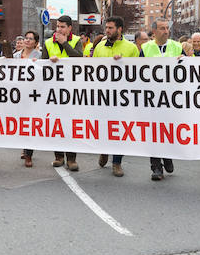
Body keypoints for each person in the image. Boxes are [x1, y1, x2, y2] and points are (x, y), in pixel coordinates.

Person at [92, 16, 140, 177]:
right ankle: (104, 150)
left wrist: (123, 63)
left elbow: (137, 72)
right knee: (103, 127)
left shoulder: (131, 48)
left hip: (122, 97)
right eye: (106, 28)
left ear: (120, 30)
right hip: (103, 96)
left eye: (111, 28)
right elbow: (93, 70)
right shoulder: (99, 47)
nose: (107, 31)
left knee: (120, 129)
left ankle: (117, 162)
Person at [141, 18, 182, 181]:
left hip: (173, 99)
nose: (166, 31)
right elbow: (137, 71)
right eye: (162, 29)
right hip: (153, 99)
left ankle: (168, 157)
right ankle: (156, 167)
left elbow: (190, 70)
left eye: (167, 28)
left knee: (169, 131)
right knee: (154, 133)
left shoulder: (177, 47)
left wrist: (184, 61)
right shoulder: (146, 48)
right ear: (154, 32)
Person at [42, 15, 84, 171]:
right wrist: (48, 62)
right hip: (54, 90)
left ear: (69, 28)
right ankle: (58, 156)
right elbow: (42, 65)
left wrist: (64, 43)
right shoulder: (47, 42)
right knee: (57, 124)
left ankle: (71, 158)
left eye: (62, 27)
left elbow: (78, 58)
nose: (59, 29)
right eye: (57, 26)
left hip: (72, 90)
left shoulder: (76, 41)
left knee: (71, 124)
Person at [14, 30, 41, 166]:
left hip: (33, 94)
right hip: (18, 94)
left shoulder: (40, 56)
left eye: (31, 39)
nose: (27, 40)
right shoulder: (16, 56)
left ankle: (29, 154)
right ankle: (24, 147)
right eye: (26, 38)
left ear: (36, 43)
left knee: (30, 122)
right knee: (21, 122)